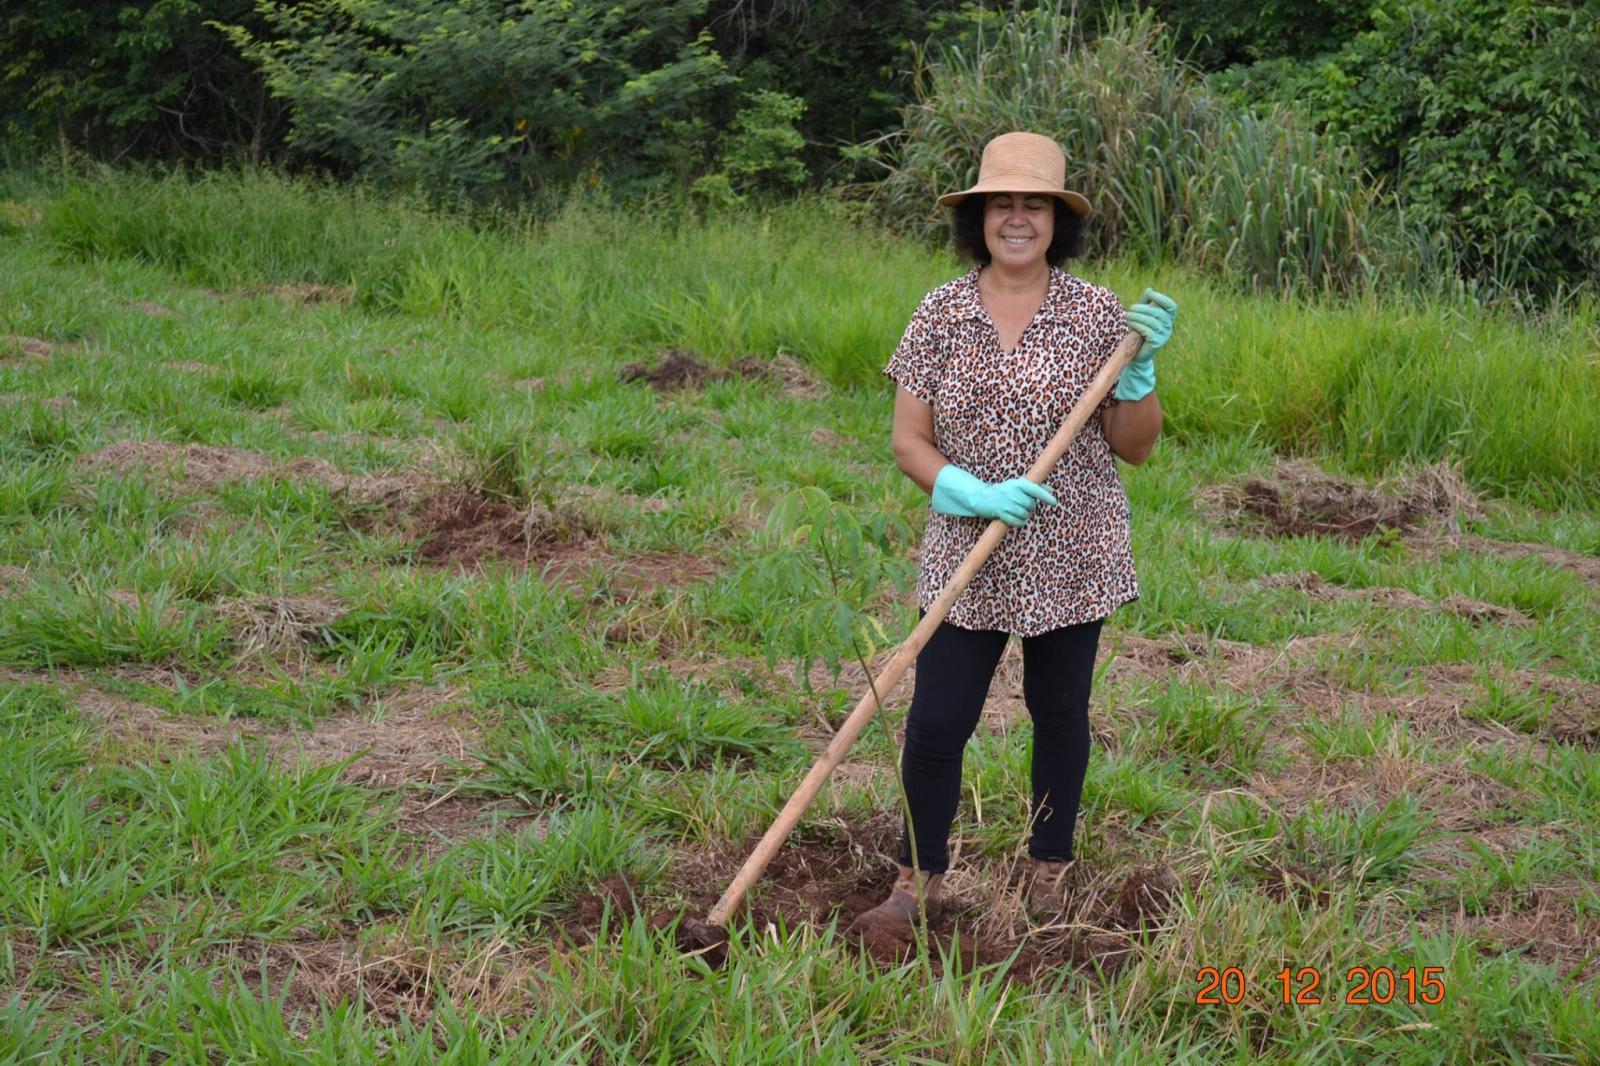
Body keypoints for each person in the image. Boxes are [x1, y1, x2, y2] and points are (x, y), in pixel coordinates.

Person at [851, 131, 1176, 934]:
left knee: (1059, 712)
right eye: (1004, 203)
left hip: (1071, 547)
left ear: (1057, 221)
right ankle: (918, 878)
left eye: (1035, 204)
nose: (1018, 218)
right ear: (980, 217)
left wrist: (1138, 378)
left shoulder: (1098, 313)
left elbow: (1134, 447)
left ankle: (1049, 871)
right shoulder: (941, 310)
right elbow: (908, 440)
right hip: (969, 543)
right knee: (936, 721)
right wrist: (964, 490)